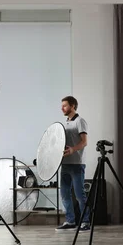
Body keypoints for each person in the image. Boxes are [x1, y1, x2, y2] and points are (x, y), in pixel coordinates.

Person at [55, 96, 91, 232]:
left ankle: (85, 222)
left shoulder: (80, 121)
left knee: (79, 195)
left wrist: (72, 149)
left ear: (73, 106)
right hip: (65, 164)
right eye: (62, 105)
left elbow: (84, 142)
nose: (62, 108)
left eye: (64, 105)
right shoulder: (64, 123)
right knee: (64, 194)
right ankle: (70, 221)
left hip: (77, 164)